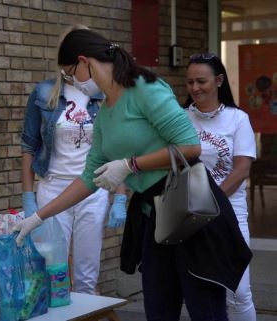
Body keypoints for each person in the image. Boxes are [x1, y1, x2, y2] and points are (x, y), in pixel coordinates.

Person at [14, 28, 252, 321]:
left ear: (84, 61)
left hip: (190, 210)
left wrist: (130, 165)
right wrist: (39, 216)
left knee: (206, 310)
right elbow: (89, 178)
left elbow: (190, 147)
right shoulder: (104, 113)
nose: (70, 81)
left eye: (69, 73)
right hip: (155, 218)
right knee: (159, 309)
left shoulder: (145, 87)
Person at [21, 25, 127, 295]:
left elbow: (118, 149)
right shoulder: (44, 93)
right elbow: (29, 146)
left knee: (86, 276)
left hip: (93, 191)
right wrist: (28, 196)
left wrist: (121, 196)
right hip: (53, 190)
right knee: (51, 272)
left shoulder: (104, 95)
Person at [184, 52, 257, 321]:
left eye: (201, 81)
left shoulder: (237, 119)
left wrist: (211, 203)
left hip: (229, 213)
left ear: (218, 81)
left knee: (238, 292)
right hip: (188, 215)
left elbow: (242, 169)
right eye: (190, 82)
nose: (194, 88)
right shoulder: (181, 118)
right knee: (202, 291)